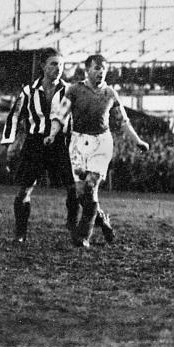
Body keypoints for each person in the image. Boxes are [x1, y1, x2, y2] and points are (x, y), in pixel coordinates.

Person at [45, 54, 150, 248]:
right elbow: (61, 115)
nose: (100, 73)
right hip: (78, 142)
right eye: (96, 69)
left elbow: (123, 121)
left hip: (101, 143)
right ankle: (102, 220)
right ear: (87, 70)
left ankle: (83, 236)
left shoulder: (110, 93)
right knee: (80, 193)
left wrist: (138, 141)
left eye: (103, 70)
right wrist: (52, 134)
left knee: (90, 187)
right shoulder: (74, 90)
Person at [2, 49, 86, 243]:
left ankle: (73, 227)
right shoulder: (28, 91)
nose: (58, 68)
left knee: (73, 188)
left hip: (61, 144)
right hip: (35, 143)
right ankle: (20, 233)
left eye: (61, 65)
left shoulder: (69, 91)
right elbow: (15, 115)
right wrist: (10, 141)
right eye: (53, 64)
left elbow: (79, 118)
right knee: (25, 189)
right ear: (43, 66)